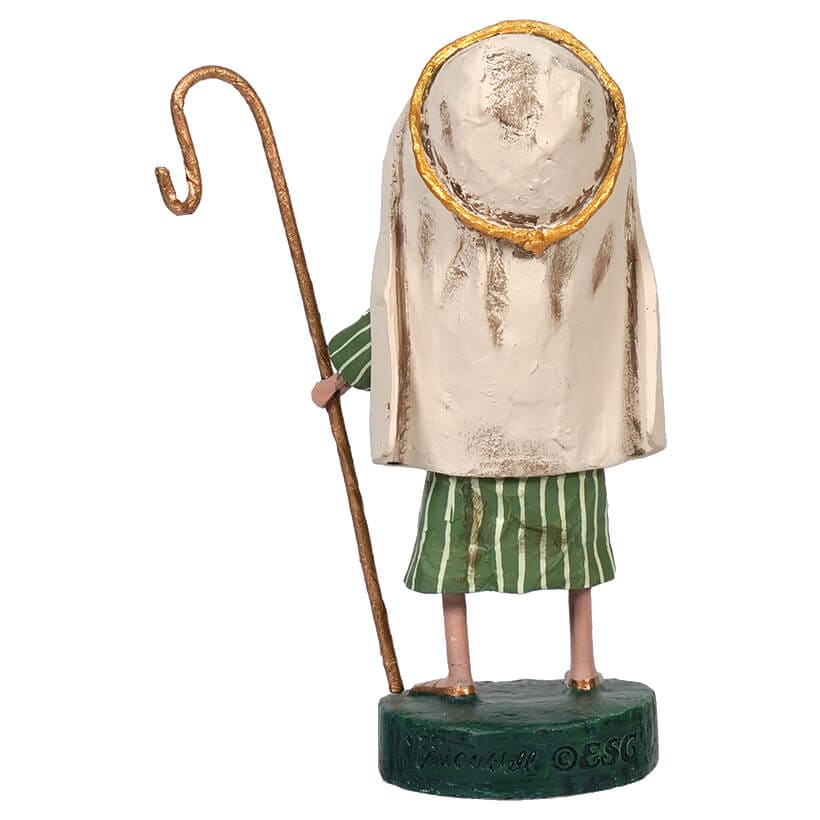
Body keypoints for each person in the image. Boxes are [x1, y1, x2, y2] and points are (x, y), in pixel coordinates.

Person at [312, 20, 665, 697]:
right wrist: (343, 369)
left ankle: (468, 671)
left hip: (469, 431)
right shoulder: (592, 196)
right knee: (571, 552)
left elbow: (410, 304)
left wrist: (345, 368)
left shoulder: (445, 207)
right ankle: (574, 665)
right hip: (562, 426)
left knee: (466, 556)